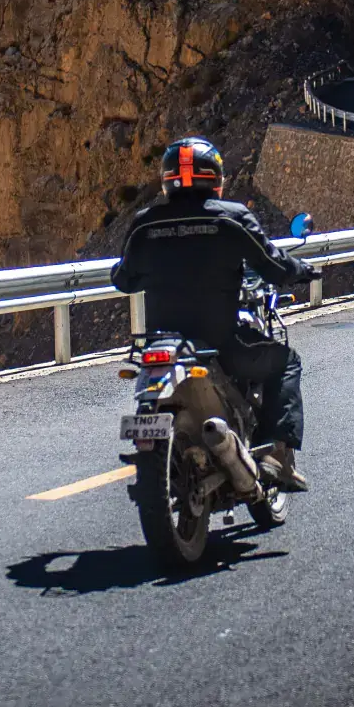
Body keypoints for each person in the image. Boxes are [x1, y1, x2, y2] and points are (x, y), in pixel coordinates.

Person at [111, 137, 317, 490]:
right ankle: (276, 455)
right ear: (215, 178)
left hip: (164, 342)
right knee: (285, 361)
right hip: (221, 342)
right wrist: (301, 269)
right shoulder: (231, 218)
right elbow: (272, 266)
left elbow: (123, 279)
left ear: (167, 179)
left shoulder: (145, 224)